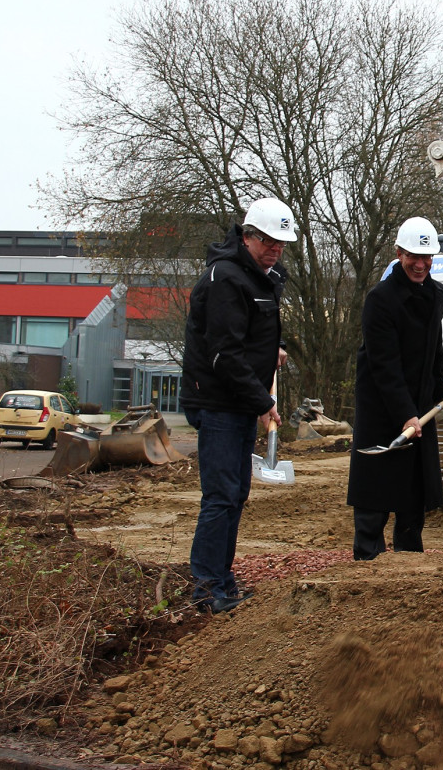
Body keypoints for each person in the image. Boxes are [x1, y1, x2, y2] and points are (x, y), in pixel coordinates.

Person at [180, 197, 296, 613]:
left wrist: (275, 349)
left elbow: (257, 331)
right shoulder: (226, 278)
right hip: (218, 401)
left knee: (235, 494)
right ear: (247, 236)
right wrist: (263, 401)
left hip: (239, 400)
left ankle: (222, 581)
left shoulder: (264, 276)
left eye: (281, 243)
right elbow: (224, 354)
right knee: (222, 495)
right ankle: (208, 589)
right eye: (267, 241)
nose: (275, 249)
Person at [347, 217, 443, 560]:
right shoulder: (380, 300)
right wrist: (405, 414)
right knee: (376, 489)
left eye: (428, 258)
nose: (421, 264)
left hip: (419, 406)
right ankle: (368, 558)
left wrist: (440, 388)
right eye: (414, 256)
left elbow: (433, 347)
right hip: (383, 407)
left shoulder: (437, 293)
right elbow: (384, 365)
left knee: (414, 489)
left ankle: (410, 560)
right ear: (398, 253)